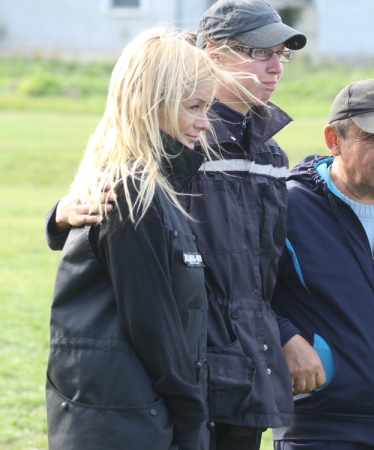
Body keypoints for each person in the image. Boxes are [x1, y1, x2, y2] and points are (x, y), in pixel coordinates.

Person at [45, 1, 307, 449]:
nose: (274, 67)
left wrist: (282, 335)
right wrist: (60, 216)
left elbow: (264, 274)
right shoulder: (171, 144)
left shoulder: (271, 156)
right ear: (212, 54)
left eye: (281, 54)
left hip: (248, 371)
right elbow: (120, 204)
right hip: (187, 375)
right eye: (260, 52)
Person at [46, 28, 216, 450]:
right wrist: (192, 413)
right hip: (125, 422)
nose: (205, 121)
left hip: (135, 415)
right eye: (193, 106)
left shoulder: (155, 186)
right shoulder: (132, 192)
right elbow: (153, 324)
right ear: (152, 102)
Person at [271, 79, 374, 450]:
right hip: (319, 431)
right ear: (333, 139)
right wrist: (283, 337)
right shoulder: (286, 208)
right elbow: (242, 294)